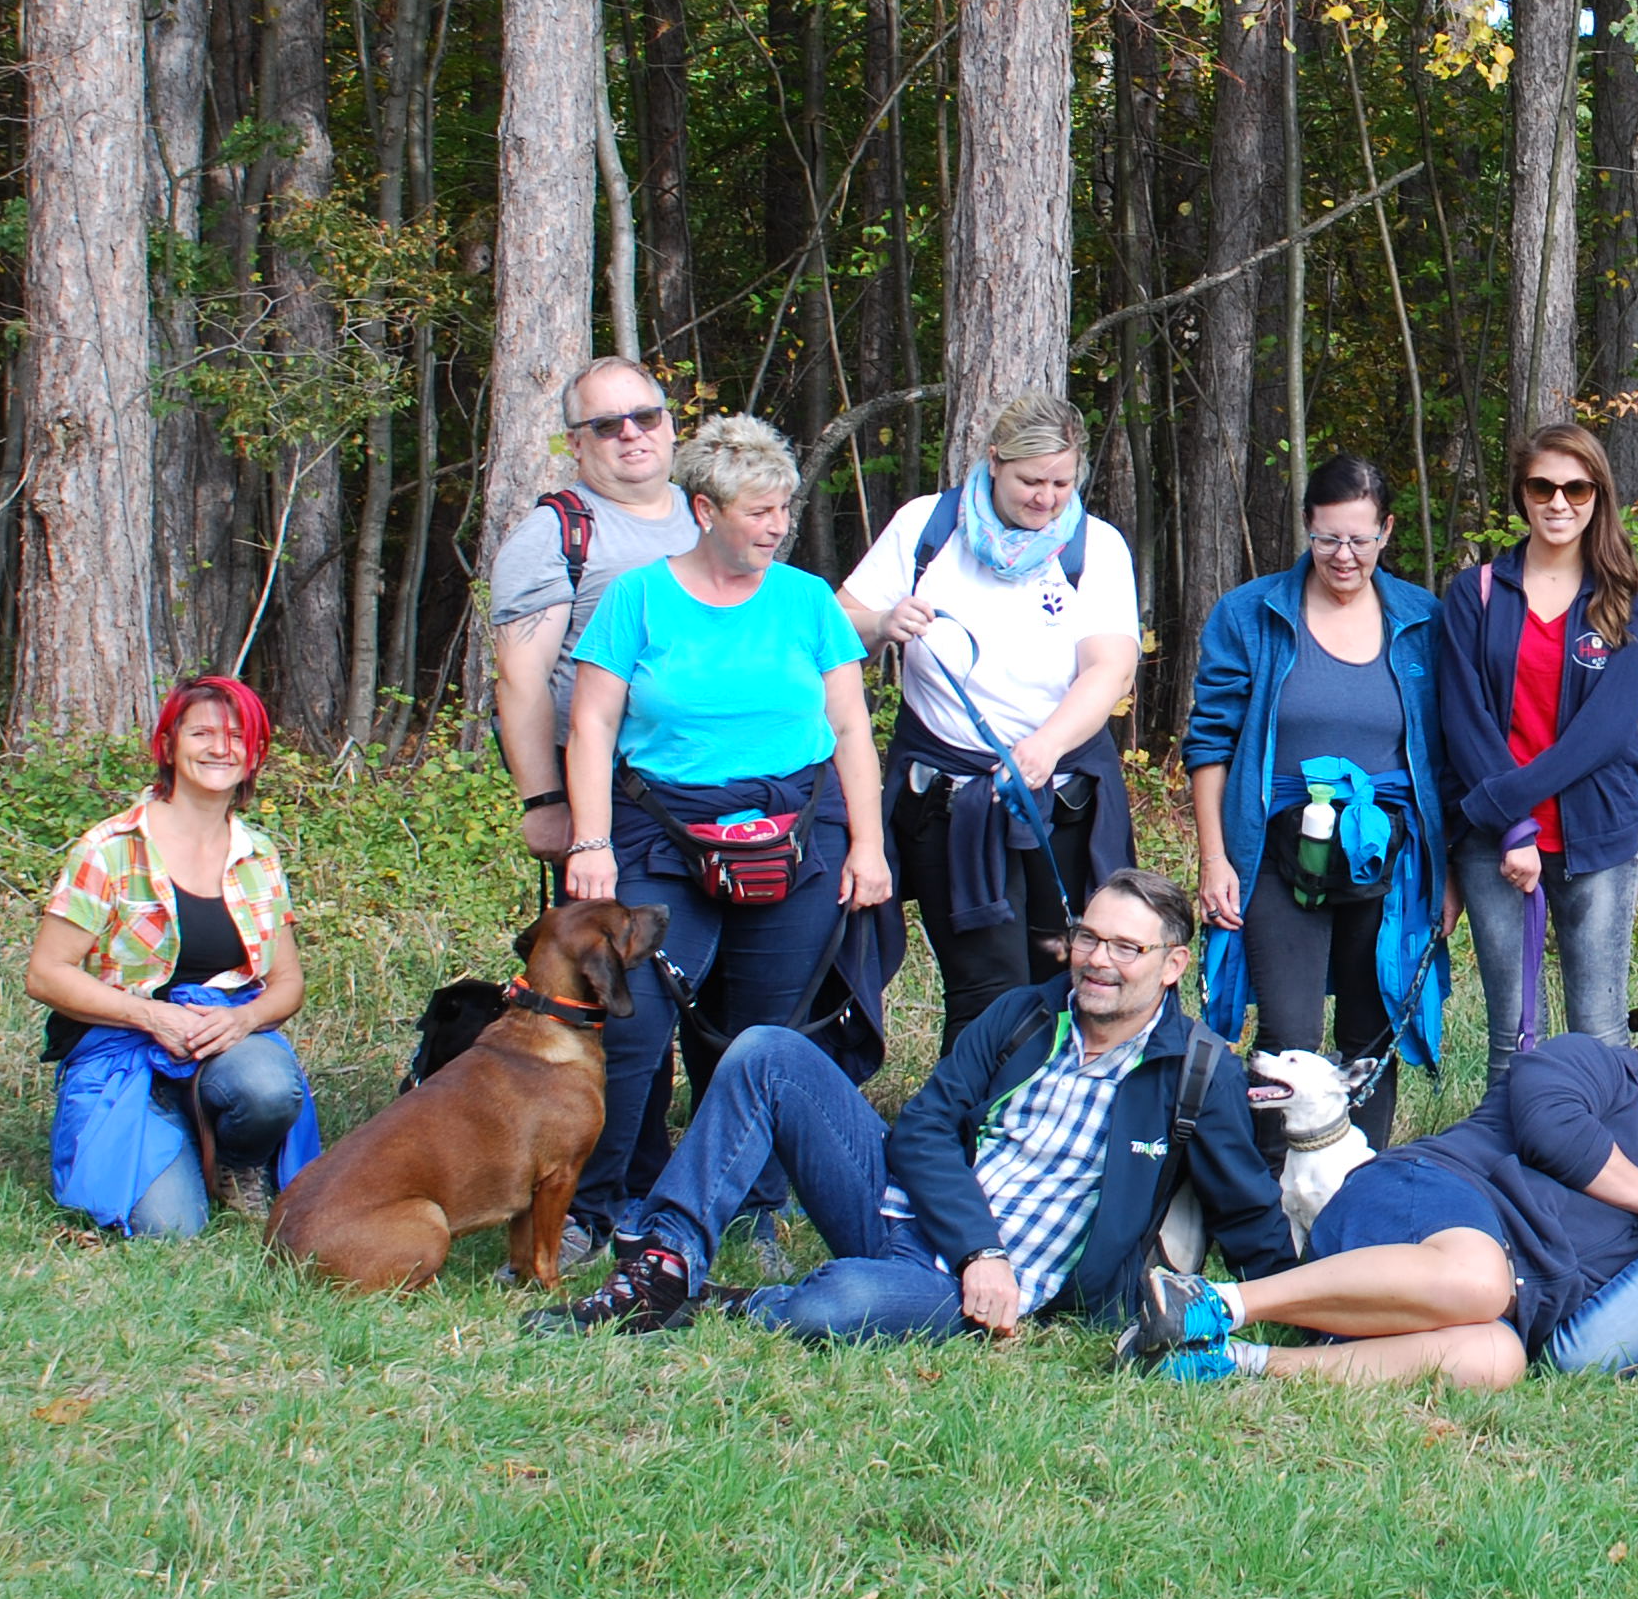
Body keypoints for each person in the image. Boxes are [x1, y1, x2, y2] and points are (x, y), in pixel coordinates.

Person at [534, 870, 1294, 1340]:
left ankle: (739, 1304)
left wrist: (1312, 1311)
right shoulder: (1028, 1013)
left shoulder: (1197, 1071)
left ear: (1171, 966)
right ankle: (664, 1266)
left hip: (982, 1295)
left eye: (1127, 948)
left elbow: (1246, 1209)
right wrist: (978, 1246)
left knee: (836, 1306)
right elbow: (927, 1123)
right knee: (767, 1051)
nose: (1098, 961)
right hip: (904, 1216)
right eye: (1088, 937)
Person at [560, 413, 895, 1257]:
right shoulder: (637, 597)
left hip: (794, 827)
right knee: (631, 1023)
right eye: (759, 511)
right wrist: (590, 842)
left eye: (784, 509)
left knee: (762, 1034)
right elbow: (593, 726)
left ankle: (748, 1211)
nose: (777, 527)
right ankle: (599, 1207)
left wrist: (868, 845)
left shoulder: (806, 599)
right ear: (706, 511)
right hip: (661, 828)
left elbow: (851, 728)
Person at [1110, 998, 1638, 1387]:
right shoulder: (1589, 1064)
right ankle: (1216, 1303)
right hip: (1423, 1200)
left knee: (1498, 1361)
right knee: (1483, 1279)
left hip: (1497, 1301)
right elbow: (1552, 1128)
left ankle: (1232, 1362)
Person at [840, 391, 1142, 1050]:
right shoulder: (928, 528)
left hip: (1061, 797)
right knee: (986, 988)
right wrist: (882, 623)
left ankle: (1062, 1125)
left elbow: (1110, 669)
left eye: (1062, 482)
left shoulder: (1097, 547)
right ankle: (966, 1138)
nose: (1046, 498)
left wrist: (1044, 746)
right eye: (1030, 481)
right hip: (948, 800)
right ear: (993, 462)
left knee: (1066, 971)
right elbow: (839, 629)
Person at [1187, 457, 1449, 1150]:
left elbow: (1445, 758)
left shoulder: (1423, 620)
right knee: (1287, 1038)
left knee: (1373, 1029)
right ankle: (1266, 1211)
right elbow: (1209, 743)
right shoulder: (1252, 614)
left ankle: (1359, 1197)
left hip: (1385, 854)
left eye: (1361, 540)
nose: (1344, 556)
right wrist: (1215, 858)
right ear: (1307, 526)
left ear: (1387, 532)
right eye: (1329, 538)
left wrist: (1445, 876)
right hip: (1276, 848)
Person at [25, 677, 322, 1238]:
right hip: (123, 1044)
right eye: (202, 732)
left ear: (255, 755)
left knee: (268, 1087)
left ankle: (235, 1159)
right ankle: (161, 1122)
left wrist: (244, 1019)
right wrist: (152, 1016)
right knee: (171, 1230)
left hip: (220, 1040)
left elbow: (287, 982)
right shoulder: (108, 849)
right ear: (168, 745)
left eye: (237, 736)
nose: (220, 748)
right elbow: (46, 973)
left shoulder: (259, 856)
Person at [1435, 422, 1638, 1063]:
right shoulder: (1474, 593)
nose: (1559, 503)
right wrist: (1513, 829)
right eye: (1543, 486)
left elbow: (1604, 732)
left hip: (1596, 836)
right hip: (1494, 845)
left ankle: (1606, 1160)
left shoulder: (1626, 599)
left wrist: (1511, 806)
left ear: (1598, 495)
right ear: (1521, 494)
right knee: (1512, 1037)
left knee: (1600, 1033)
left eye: (1576, 488)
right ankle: (1504, 1164)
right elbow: (1464, 719)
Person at [489, 357, 696, 891]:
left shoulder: (710, 515)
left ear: (671, 425)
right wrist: (545, 801)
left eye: (646, 417)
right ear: (575, 444)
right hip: (608, 792)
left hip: (709, 776)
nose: (631, 434)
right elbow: (521, 680)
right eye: (605, 425)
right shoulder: (554, 534)